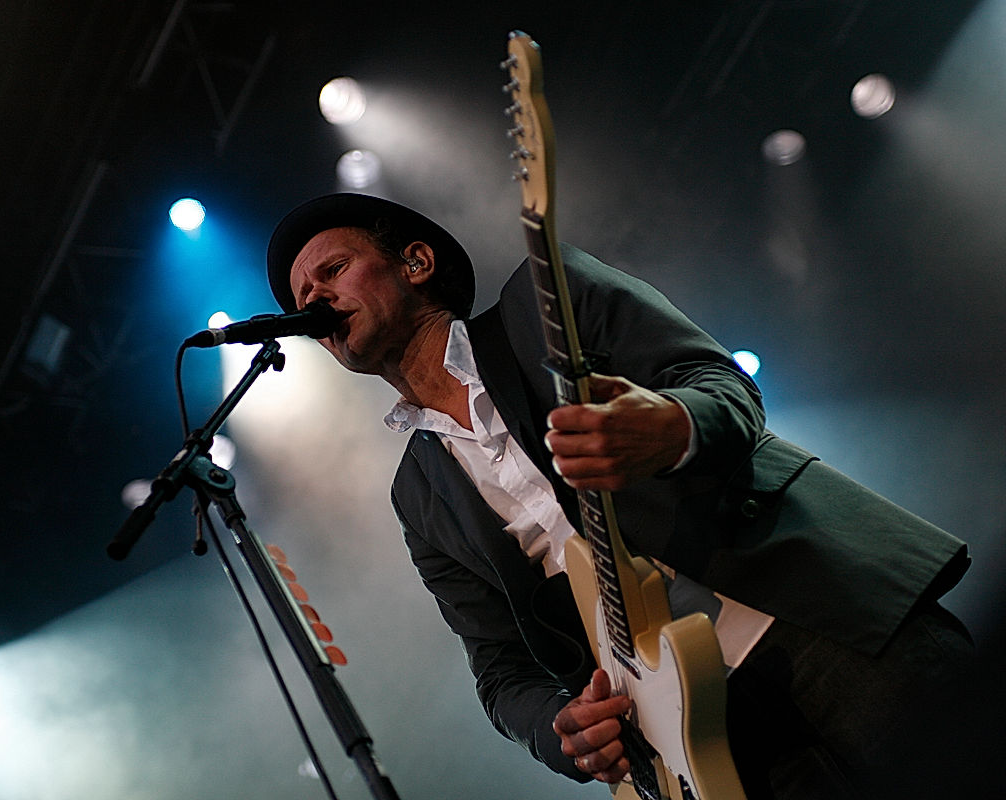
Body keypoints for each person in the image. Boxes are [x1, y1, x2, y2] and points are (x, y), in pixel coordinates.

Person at [264, 193, 976, 799]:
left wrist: (670, 429)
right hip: (698, 740)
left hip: (814, 618)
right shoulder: (418, 496)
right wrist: (559, 729)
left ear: (415, 264)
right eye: (301, 299)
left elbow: (720, 384)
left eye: (332, 270)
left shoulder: (545, 304)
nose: (314, 300)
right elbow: (500, 669)